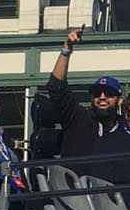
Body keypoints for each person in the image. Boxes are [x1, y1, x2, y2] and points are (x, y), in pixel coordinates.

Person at [46, 27, 124, 170]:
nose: (102, 97)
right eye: (97, 93)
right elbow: (56, 87)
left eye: (108, 93)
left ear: (119, 100)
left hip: (112, 190)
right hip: (78, 190)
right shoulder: (78, 118)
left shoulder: (125, 129)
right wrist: (66, 49)